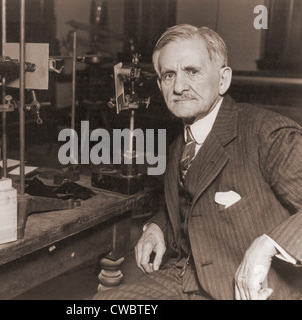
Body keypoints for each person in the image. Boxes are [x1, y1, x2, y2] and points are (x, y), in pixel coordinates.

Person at [95, 24, 302, 300]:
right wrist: (158, 226)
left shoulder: (267, 132)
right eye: (169, 75)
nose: (179, 86)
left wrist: (268, 245)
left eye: (192, 71)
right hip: (185, 279)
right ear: (159, 85)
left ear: (223, 80)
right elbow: (196, 205)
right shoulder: (179, 145)